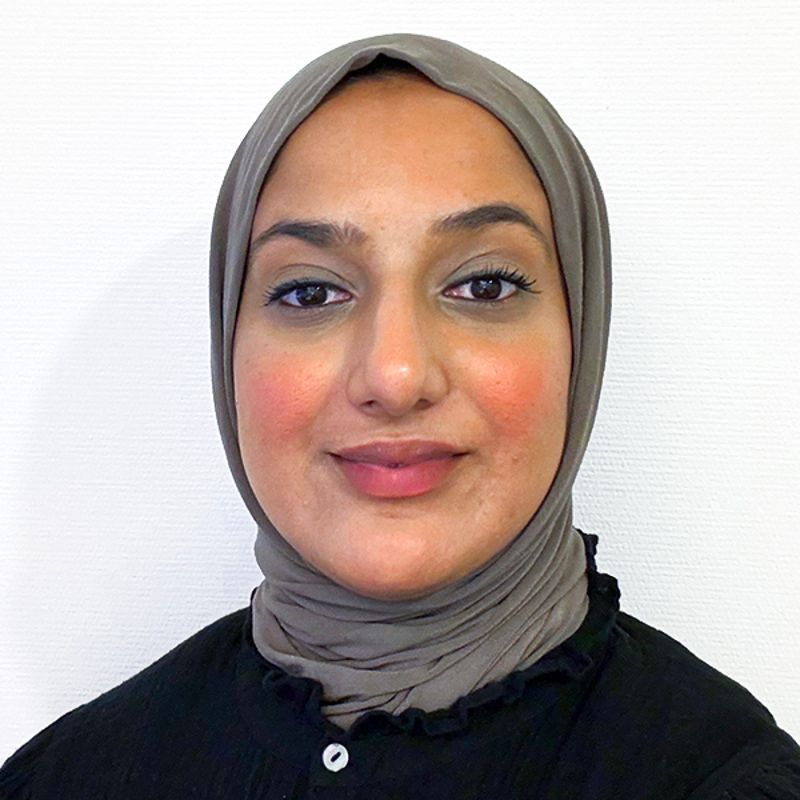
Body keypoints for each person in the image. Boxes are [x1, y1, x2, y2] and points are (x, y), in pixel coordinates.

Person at [2, 32, 798, 799]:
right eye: (310, 292)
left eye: (483, 284)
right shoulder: (73, 777)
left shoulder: (722, 779)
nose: (394, 374)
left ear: (580, 336)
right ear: (227, 347)